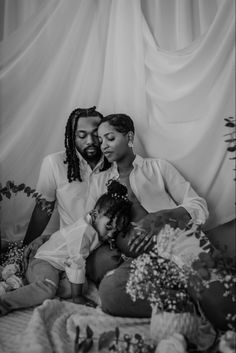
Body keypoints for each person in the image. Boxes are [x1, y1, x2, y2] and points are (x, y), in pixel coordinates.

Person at [85, 113, 209, 317]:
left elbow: (198, 205)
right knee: (110, 292)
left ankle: (198, 295)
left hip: (177, 243)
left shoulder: (158, 168)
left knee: (216, 288)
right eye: (100, 141)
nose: (104, 145)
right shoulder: (99, 181)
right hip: (141, 262)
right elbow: (90, 225)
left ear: (130, 137)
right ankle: (183, 303)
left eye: (110, 138)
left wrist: (161, 217)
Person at [0, 180, 132, 315]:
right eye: (109, 227)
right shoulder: (83, 232)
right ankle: (5, 302)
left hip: (61, 267)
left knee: (81, 286)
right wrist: (78, 297)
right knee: (49, 288)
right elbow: (77, 263)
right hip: (44, 261)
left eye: (115, 232)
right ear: (95, 214)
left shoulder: (95, 225)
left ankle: (37, 286)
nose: (110, 234)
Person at [22, 106, 111, 266]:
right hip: (68, 245)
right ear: (72, 137)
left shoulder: (116, 162)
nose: (90, 141)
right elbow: (43, 210)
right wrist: (26, 246)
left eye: (96, 135)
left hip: (106, 246)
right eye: (82, 135)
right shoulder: (54, 163)